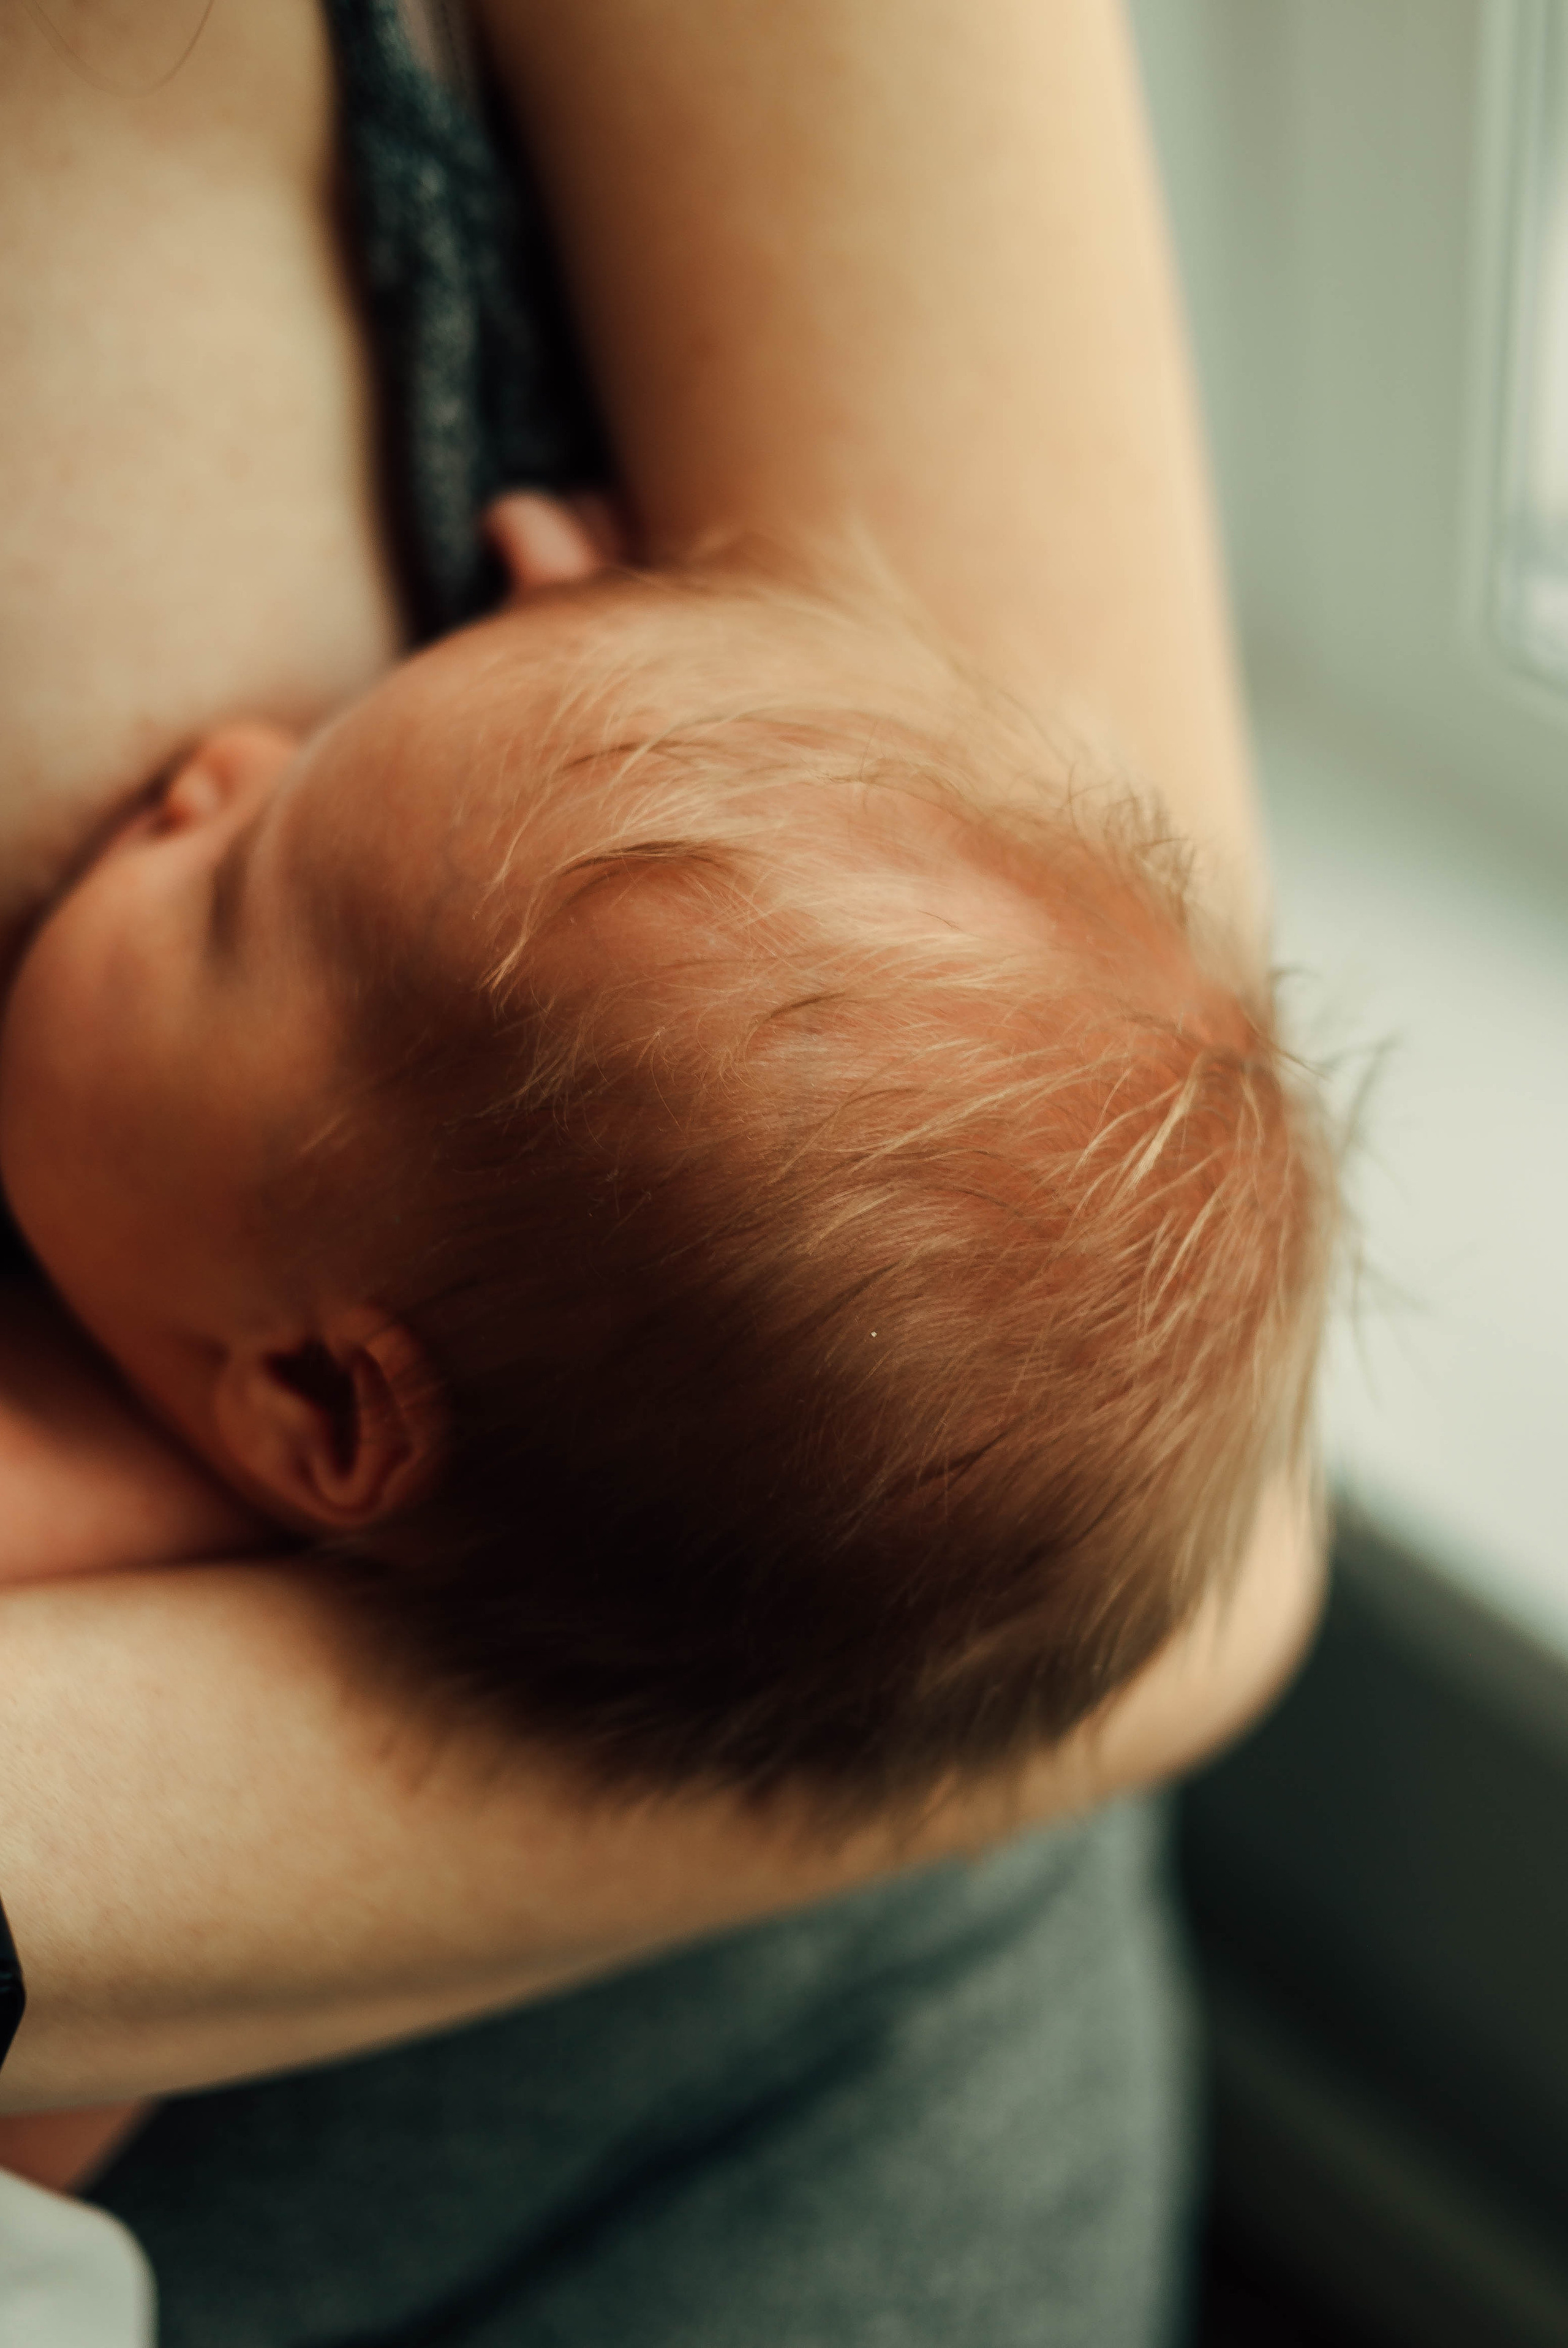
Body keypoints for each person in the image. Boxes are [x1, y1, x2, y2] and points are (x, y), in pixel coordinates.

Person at [0, 1, 1325, 2338]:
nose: (205, 773)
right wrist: (564, 684)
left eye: (237, 887)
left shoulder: (92, 1498)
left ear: (320, 1407)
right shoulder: (476, 1326)